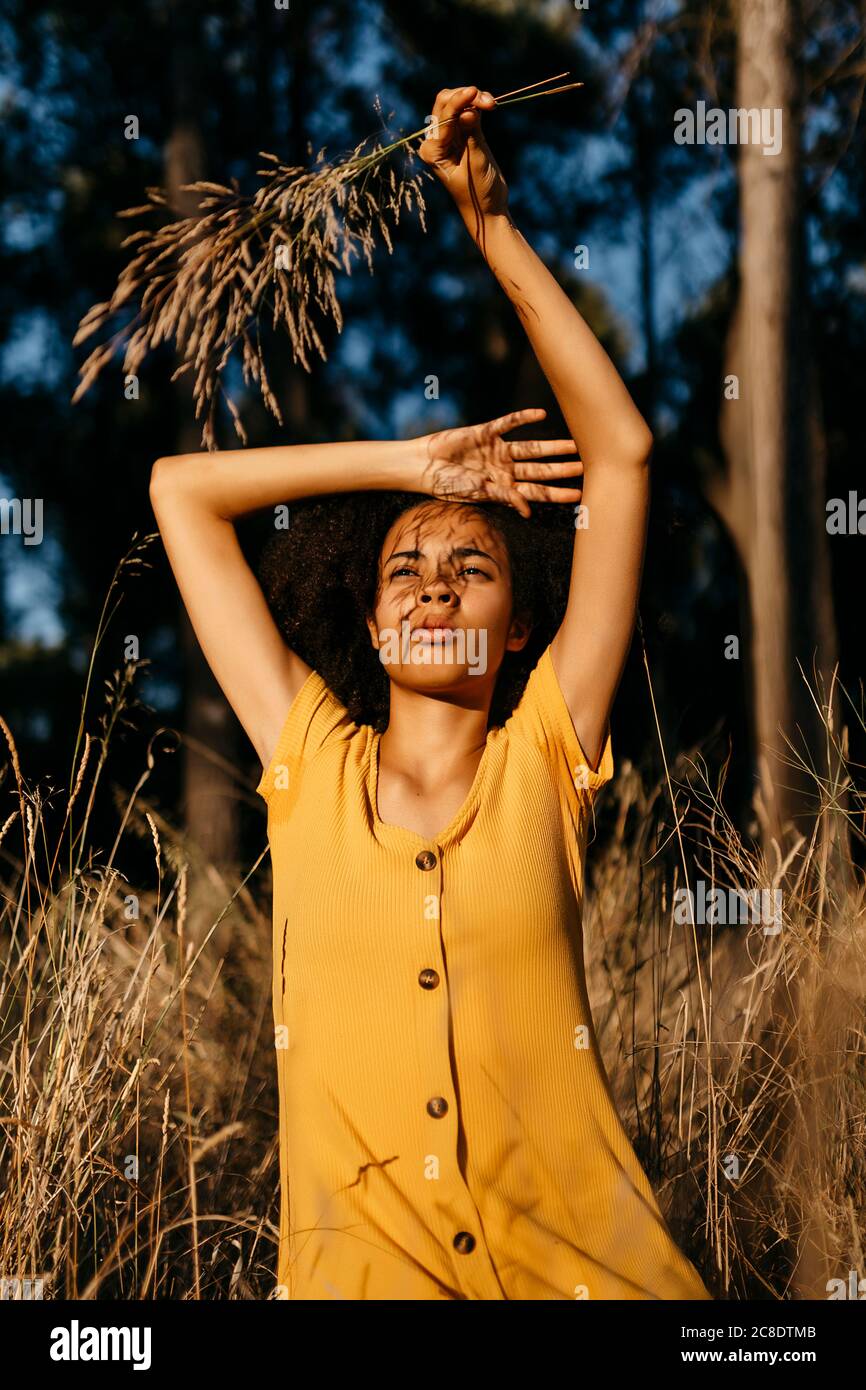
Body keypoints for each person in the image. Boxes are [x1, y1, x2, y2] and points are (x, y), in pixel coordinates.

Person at [150, 83, 711, 1301]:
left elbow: (617, 457)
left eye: (473, 568)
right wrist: (407, 464)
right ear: (367, 615)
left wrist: (492, 228)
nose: (436, 587)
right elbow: (178, 493)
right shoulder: (305, 762)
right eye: (404, 568)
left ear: (518, 632)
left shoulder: (547, 753)